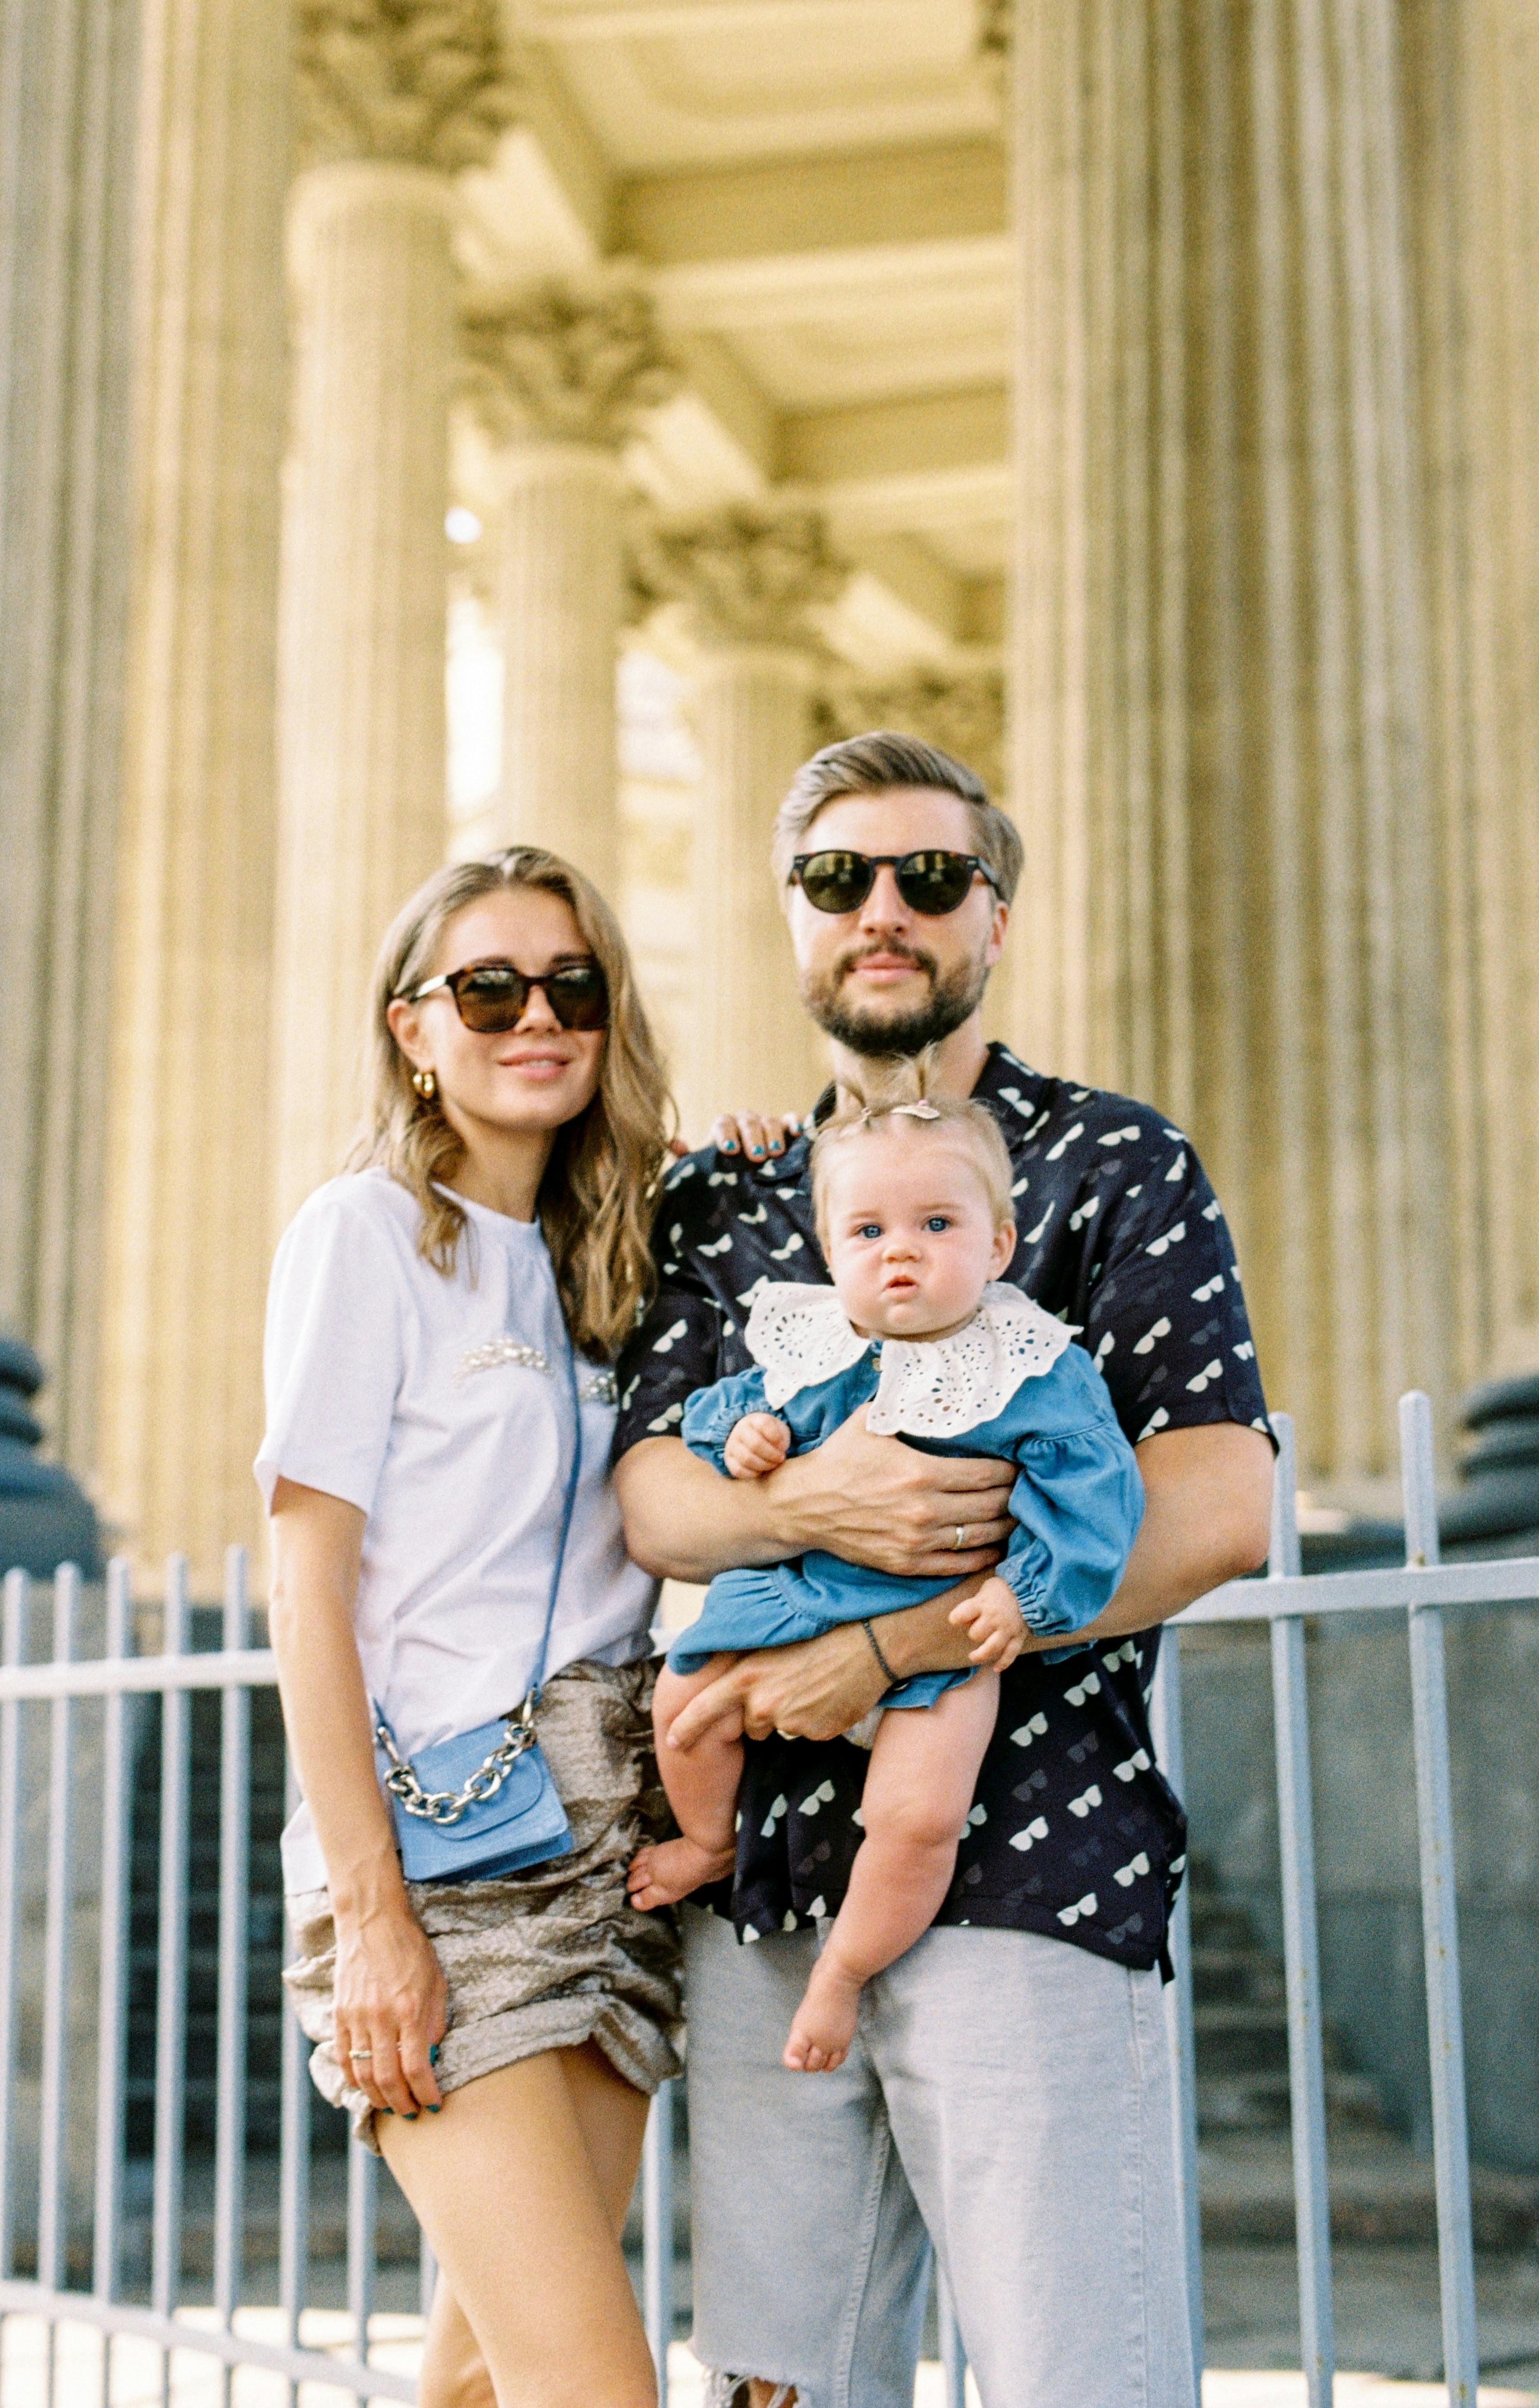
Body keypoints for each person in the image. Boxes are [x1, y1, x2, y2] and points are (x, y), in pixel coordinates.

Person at [611, 733, 1276, 2408]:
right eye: (839, 880)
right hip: (765, 1880)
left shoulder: (1119, 1165)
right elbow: (653, 1500)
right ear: (793, 921)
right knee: (777, 2382)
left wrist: (894, 1640)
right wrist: (810, 1508)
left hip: (1029, 1863)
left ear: (999, 914)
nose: (883, 911)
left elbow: (1215, 1502)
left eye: (929, 876)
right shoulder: (728, 1197)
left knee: (1078, 2374)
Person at [260, 848, 680, 2408]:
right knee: (593, 2384)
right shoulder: (362, 1236)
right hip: (441, 1856)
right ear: (411, 1029)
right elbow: (304, 1583)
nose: (536, 1017)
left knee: (482, 2382)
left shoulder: (620, 1254)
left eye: (572, 985)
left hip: (614, 1838)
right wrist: (369, 1914)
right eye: (487, 988)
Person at [629, 1053, 1144, 2078]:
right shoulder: (814, 1343)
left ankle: (843, 1971)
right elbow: (720, 1413)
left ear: (998, 1242)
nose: (898, 1254)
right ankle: (705, 1840)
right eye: (868, 1232)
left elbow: (1097, 1494)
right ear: (829, 1249)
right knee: (681, 1704)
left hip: (939, 1636)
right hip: (795, 1599)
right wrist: (745, 1444)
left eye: (934, 1226)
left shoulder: (1031, 1366)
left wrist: (1023, 1593)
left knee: (917, 1817)